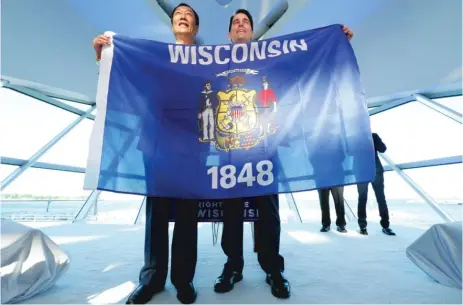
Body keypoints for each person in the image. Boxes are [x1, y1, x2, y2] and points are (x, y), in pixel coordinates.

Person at [92, 3, 201, 304]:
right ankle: (152, 279)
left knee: (187, 215)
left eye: (189, 15)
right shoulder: (154, 56)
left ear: (195, 28)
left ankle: (183, 280)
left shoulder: (207, 60)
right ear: (172, 25)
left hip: (192, 144)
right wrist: (105, 57)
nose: (182, 16)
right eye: (178, 13)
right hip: (156, 142)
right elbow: (126, 75)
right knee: (157, 215)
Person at [212, 9, 290, 300]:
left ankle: (273, 268)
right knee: (231, 212)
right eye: (236, 23)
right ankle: (233, 266)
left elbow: (300, 68)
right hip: (231, 153)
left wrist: (336, 41)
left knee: (268, 213)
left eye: (245, 22)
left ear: (253, 32)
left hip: (264, 149)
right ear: (229, 34)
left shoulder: (268, 62)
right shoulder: (216, 65)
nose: (241, 25)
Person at [357, 133, 396, 236]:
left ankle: (385, 226)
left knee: (380, 198)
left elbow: (383, 149)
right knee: (363, 198)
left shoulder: (373, 136)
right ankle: (363, 226)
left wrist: (373, 140)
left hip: (375, 171)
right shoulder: (355, 138)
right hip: (362, 171)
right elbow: (349, 153)